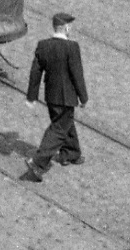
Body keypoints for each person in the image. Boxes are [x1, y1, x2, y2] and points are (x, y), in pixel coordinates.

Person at [23, 12, 89, 182]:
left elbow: (35, 72)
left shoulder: (43, 45)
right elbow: (77, 74)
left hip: (51, 96)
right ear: (65, 28)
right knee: (59, 128)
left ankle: (71, 153)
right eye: (70, 26)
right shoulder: (72, 47)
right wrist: (83, 97)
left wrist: (31, 96)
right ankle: (38, 163)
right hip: (67, 97)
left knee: (65, 122)